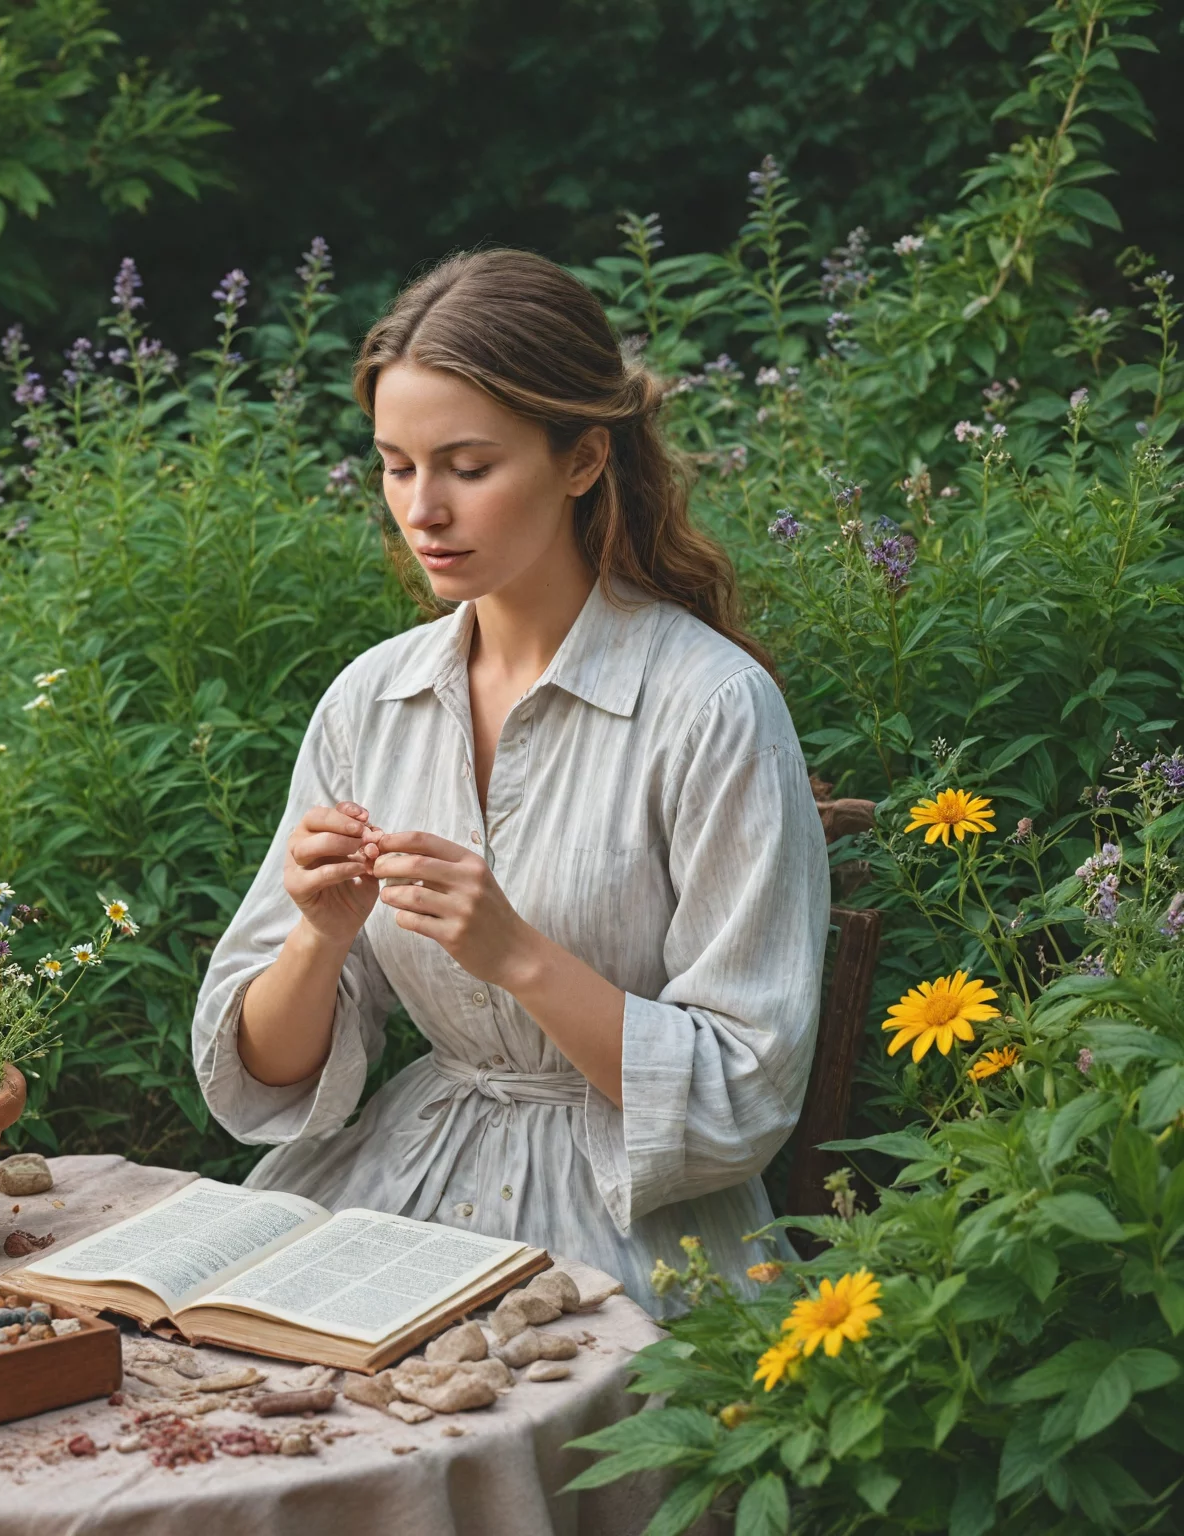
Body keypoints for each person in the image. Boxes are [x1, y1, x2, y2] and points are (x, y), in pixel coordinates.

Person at [191, 249, 829, 1311]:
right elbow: (266, 1077)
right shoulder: (371, 700)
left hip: (636, 1236)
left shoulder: (711, 707)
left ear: (582, 459)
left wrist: (520, 957)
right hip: (401, 1188)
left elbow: (743, 1092)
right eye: (397, 466)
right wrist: (319, 931)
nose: (422, 509)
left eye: (467, 467)